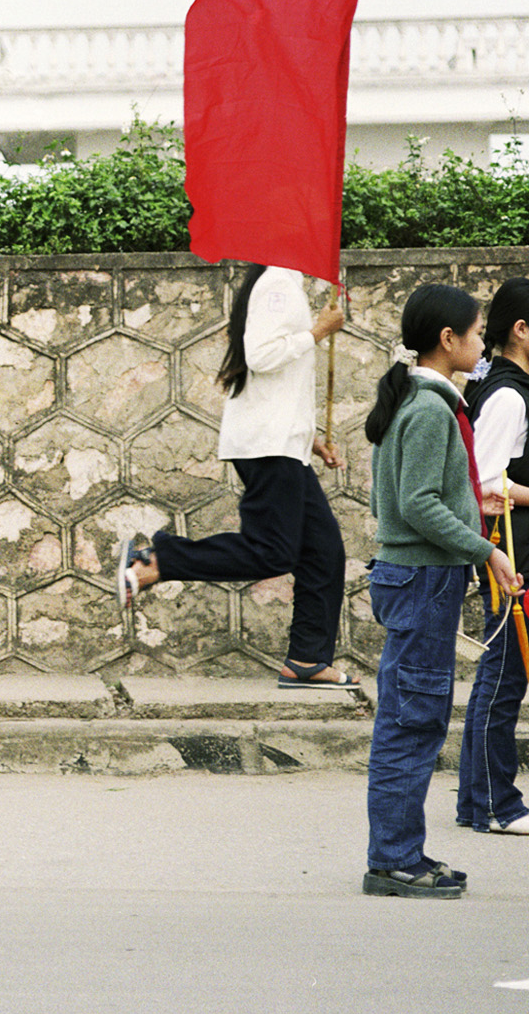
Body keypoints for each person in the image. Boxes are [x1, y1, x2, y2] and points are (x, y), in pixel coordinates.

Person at [115, 265, 352, 686]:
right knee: (272, 552)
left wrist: (310, 438)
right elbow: (260, 355)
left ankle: (307, 659)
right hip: (267, 446)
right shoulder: (277, 282)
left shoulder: (284, 282)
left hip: (282, 443)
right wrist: (318, 330)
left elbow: (278, 384)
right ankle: (157, 561)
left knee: (324, 551)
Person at [361, 283, 520, 898]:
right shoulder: (429, 409)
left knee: (412, 717)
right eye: (478, 334)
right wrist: (485, 548)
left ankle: (399, 853)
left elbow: (399, 499)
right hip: (424, 578)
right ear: (447, 340)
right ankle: (395, 859)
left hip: (419, 576)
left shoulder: (421, 401)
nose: (484, 345)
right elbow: (415, 503)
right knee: (412, 720)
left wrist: (471, 509)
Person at [458, 277, 529, 834]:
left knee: (505, 676)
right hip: (510, 553)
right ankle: (493, 805)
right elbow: (480, 483)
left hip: (517, 550)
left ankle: (477, 802)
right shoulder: (507, 394)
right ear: (522, 330)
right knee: (504, 676)